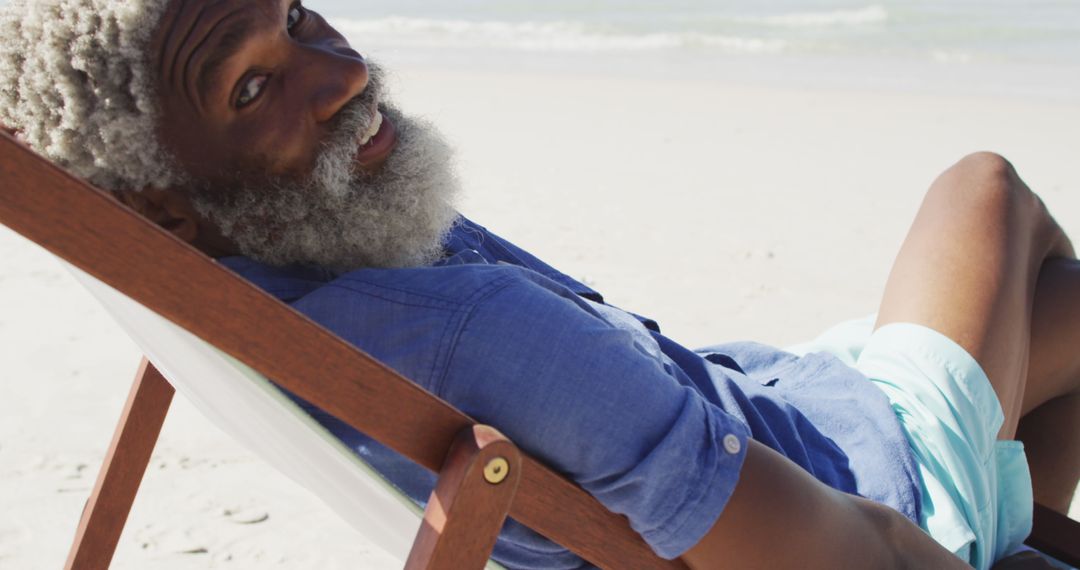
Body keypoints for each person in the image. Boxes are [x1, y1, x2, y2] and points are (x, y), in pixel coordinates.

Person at [1, 0, 1077, 568]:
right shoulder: (481, 339)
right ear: (159, 206)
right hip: (876, 492)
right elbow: (861, 557)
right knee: (986, 191)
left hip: (780, 409)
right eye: (252, 86)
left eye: (297, 16)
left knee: (1053, 318)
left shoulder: (276, 274)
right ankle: (1004, 532)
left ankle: (1020, 517)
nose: (345, 74)